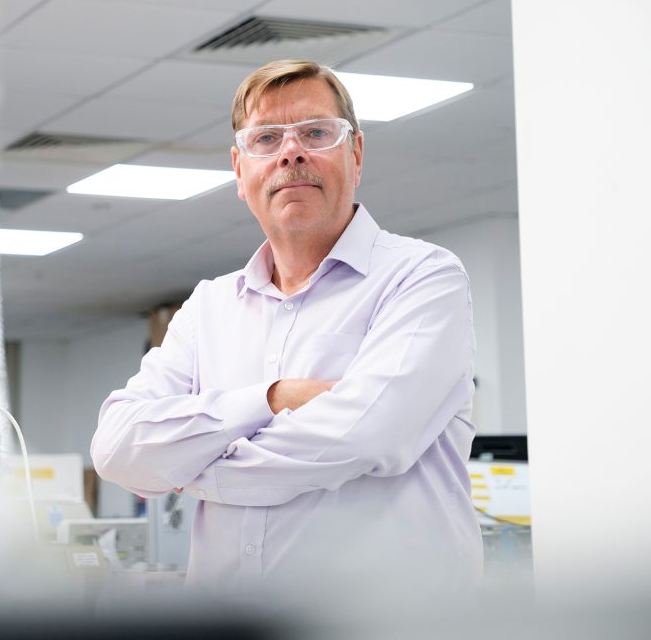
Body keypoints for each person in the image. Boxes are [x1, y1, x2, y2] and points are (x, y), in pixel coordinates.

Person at [90, 60, 483, 602]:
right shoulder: (209, 307)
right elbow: (116, 446)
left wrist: (195, 469)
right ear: (239, 169)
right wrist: (274, 399)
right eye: (266, 138)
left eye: (317, 133)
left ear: (357, 154)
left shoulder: (422, 278)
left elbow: (364, 436)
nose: (291, 152)